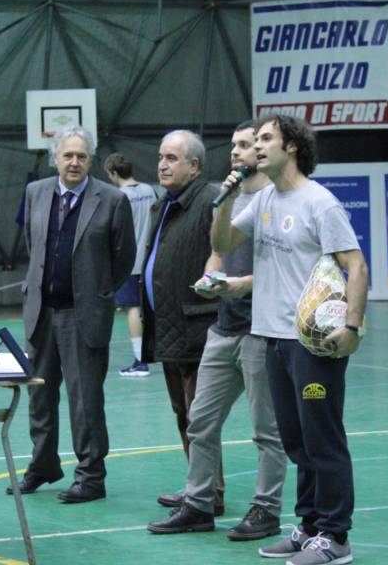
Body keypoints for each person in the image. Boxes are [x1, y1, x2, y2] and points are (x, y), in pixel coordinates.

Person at [211, 115, 368, 565]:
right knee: (296, 441)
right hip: (272, 339)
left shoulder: (320, 203)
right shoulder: (262, 199)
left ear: (292, 146)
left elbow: (356, 266)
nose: (256, 146)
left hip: (313, 344)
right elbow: (223, 242)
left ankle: (335, 537)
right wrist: (224, 202)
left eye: (266, 139)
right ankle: (309, 527)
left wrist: (352, 327)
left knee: (323, 439)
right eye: (255, 139)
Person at [147, 121, 287, 541]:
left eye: (247, 144)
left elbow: (287, 270)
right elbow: (217, 252)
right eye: (235, 145)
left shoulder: (279, 200)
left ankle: (267, 510)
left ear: (263, 152)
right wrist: (212, 277)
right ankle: (199, 504)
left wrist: (240, 285)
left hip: (261, 330)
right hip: (223, 328)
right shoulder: (227, 199)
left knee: (266, 431)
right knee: (200, 421)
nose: (237, 152)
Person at [8, 126, 136, 503]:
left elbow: (124, 257)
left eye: (82, 156)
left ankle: (91, 477)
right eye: (68, 155)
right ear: (55, 159)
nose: (74, 162)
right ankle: (43, 465)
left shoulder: (112, 200)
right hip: (42, 314)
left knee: (85, 401)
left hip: (84, 315)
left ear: (91, 160)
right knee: (39, 396)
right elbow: (34, 246)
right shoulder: (36, 192)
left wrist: (97, 292)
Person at [140, 130, 221, 509]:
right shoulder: (163, 204)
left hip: (197, 327)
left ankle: (209, 493)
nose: (162, 164)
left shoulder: (210, 201)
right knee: (183, 414)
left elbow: (222, 256)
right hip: (168, 327)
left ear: (194, 165)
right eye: (161, 157)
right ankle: (198, 487)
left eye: (172, 158)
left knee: (198, 416)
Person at [104, 152, 158, 377]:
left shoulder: (117, 196)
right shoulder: (149, 190)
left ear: (113, 172)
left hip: (130, 263)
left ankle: (140, 362)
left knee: (133, 308)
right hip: (151, 260)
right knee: (150, 308)